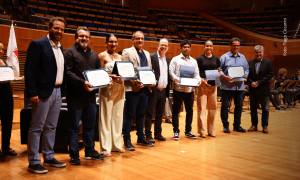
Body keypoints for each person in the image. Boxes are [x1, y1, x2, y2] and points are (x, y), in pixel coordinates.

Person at [25, 17, 66, 174]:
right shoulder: (38, 44)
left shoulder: (60, 47)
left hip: (57, 92)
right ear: (49, 28)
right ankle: (34, 161)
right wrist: (32, 92)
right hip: (42, 93)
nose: (59, 31)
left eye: (61, 29)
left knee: (51, 127)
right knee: (37, 127)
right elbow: (30, 71)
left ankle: (48, 156)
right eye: (56, 28)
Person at [64, 26, 104, 165]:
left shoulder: (94, 54)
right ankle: (74, 154)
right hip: (75, 96)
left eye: (86, 37)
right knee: (74, 126)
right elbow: (68, 73)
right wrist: (83, 83)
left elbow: (99, 72)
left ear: (89, 39)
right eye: (81, 36)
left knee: (89, 126)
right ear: (76, 37)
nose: (84, 39)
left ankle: (89, 151)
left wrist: (106, 80)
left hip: (90, 97)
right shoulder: (69, 52)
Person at [122, 31, 155, 151]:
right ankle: (127, 140)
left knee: (141, 114)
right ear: (133, 40)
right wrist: (134, 82)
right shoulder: (127, 51)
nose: (140, 40)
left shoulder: (146, 53)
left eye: (142, 38)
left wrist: (152, 80)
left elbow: (149, 70)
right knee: (129, 115)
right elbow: (126, 70)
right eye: (137, 38)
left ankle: (140, 138)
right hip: (133, 88)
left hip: (145, 88)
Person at [98, 34, 125, 157]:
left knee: (117, 117)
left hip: (120, 87)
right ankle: (105, 148)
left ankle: (116, 145)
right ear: (106, 43)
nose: (113, 44)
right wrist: (110, 76)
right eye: (110, 42)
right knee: (105, 117)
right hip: (107, 88)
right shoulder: (102, 55)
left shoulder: (120, 57)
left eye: (115, 42)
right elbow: (98, 73)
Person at [169, 39, 201, 141]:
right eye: (184, 47)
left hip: (190, 90)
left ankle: (188, 131)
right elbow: (171, 72)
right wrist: (179, 80)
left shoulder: (194, 61)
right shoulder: (175, 59)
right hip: (178, 89)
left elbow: (197, 74)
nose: (186, 49)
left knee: (190, 111)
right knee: (176, 111)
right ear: (181, 48)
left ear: (190, 48)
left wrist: (198, 80)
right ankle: (176, 132)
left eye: (188, 47)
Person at [220, 37, 249, 133]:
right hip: (227, 86)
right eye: (234, 45)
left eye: (238, 46)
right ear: (230, 45)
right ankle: (225, 125)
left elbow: (247, 69)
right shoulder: (224, 57)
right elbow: (219, 71)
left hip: (239, 86)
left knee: (239, 106)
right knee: (225, 106)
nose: (236, 47)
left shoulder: (243, 57)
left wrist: (246, 75)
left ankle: (237, 125)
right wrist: (225, 77)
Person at [144, 38, 170, 142]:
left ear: (168, 48)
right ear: (158, 46)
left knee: (160, 114)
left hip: (163, 91)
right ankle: (148, 134)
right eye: (162, 45)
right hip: (153, 90)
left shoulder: (167, 59)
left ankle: (158, 133)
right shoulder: (151, 57)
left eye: (165, 46)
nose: (163, 47)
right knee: (150, 113)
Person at [196, 40, 220, 138]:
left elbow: (219, 72)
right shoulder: (199, 58)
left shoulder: (216, 58)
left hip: (213, 86)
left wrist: (216, 79)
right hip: (203, 85)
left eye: (210, 46)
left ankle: (212, 130)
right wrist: (202, 80)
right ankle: (202, 131)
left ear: (212, 47)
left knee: (213, 108)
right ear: (204, 47)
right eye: (207, 46)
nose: (209, 48)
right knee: (201, 109)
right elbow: (196, 73)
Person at [247, 45, 274, 134]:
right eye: (257, 52)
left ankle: (265, 126)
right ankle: (254, 125)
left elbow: (270, 75)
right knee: (253, 109)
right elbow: (247, 75)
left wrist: (258, 82)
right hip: (253, 89)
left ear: (263, 53)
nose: (258, 54)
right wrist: (251, 82)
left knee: (265, 109)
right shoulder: (249, 63)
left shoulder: (268, 62)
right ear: (254, 53)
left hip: (264, 89)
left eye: (260, 52)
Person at [0, 41, 17, 157]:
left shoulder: (5, 62)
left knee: (7, 122)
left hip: (7, 96)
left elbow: (8, 77)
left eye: (2, 49)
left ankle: (5, 147)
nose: (1, 51)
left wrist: (18, 77)